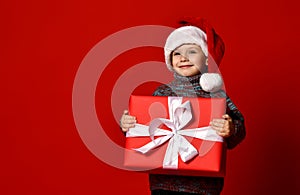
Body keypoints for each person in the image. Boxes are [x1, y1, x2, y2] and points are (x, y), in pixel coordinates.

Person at [120, 17, 246, 195]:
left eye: (192, 51)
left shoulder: (216, 94)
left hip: (205, 186)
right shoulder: (161, 92)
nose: (184, 58)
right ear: (170, 60)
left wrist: (231, 128)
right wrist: (127, 125)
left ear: (207, 58)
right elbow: (144, 130)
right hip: (163, 182)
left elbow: (240, 129)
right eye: (177, 53)